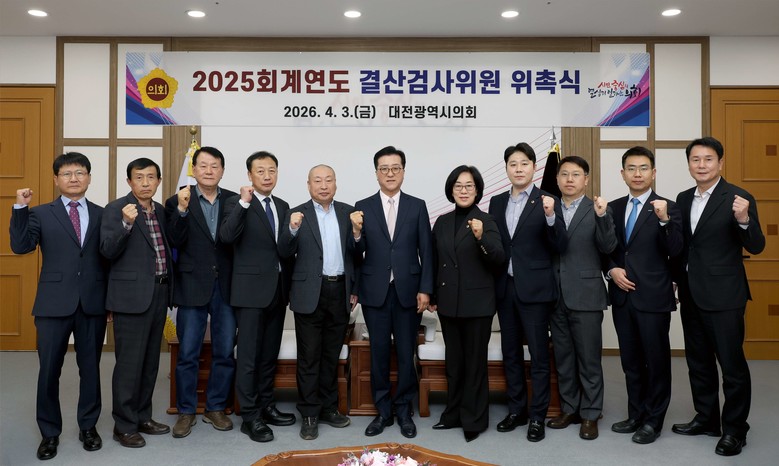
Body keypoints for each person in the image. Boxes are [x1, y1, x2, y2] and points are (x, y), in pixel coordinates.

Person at [10, 152, 108, 461]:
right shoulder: (40, 213)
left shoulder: (103, 213)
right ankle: (49, 433)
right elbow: (21, 246)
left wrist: (110, 301)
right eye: (67, 173)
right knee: (49, 370)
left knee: (90, 369)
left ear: (89, 177)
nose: (74, 178)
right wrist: (20, 208)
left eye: (80, 172)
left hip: (92, 302)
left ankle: (88, 427)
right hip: (53, 304)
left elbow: (110, 257)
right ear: (56, 180)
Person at [672, 137, 765, 456]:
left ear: (720, 163)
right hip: (691, 293)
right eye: (695, 159)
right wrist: (676, 280)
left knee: (732, 366)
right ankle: (707, 419)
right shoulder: (683, 198)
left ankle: (735, 430)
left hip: (725, 296)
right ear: (689, 164)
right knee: (698, 363)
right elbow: (684, 247)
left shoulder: (739, 198)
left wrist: (744, 220)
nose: (701, 165)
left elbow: (757, 246)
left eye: (708, 159)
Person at [350, 145, 434, 439]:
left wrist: (426, 289)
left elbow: (427, 250)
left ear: (403, 172)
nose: (390, 173)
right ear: (376, 173)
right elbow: (356, 253)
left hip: (409, 291)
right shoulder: (362, 206)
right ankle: (383, 410)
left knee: (406, 353)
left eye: (395, 168)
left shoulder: (417, 205)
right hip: (374, 292)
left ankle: (404, 410)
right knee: (379, 353)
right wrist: (356, 233)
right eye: (384, 168)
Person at [489, 142, 567, 442]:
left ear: (534, 167)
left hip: (535, 290)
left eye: (524, 163)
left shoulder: (548, 199)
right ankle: (516, 410)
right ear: (507, 168)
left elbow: (560, 244)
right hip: (505, 288)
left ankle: (537, 416)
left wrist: (550, 217)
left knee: (538, 356)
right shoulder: (496, 202)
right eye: (513, 164)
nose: (518, 169)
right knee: (510, 353)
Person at [607, 146, 683, 445]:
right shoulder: (613, 207)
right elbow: (606, 247)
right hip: (622, 295)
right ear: (622, 173)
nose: (637, 174)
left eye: (643, 168)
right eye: (631, 168)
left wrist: (664, 221)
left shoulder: (669, 207)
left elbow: (676, 250)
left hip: (653, 296)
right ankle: (636, 414)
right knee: (631, 362)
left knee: (656, 361)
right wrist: (611, 269)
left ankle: (653, 420)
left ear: (653, 173)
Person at [220, 151, 295, 443]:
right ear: (250, 175)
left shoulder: (283, 205)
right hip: (250, 292)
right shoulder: (235, 203)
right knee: (249, 357)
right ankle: (250, 416)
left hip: (277, 290)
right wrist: (243, 203)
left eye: (271, 170)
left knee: (268, 356)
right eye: (260, 171)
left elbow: (284, 249)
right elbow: (227, 237)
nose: (267, 176)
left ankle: (266, 405)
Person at [278, 165, 356, 440]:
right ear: (309, 185)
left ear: (336, 184)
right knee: (309, 356)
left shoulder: (348, 212)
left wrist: (354, 288)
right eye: (318, 181)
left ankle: (328, 408)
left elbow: (357, 255)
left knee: (331, 355)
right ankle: (309, 413)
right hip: (309, 292)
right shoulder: (296, 213)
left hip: (340, 290)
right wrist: (292, 229)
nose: (324, 185)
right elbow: (284, 251)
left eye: (328, 180)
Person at [165, 147, 237, 438]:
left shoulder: (235, 200)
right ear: (193, 170)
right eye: (203, 165)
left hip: (227, 286)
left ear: (222, 171)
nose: (209, 171)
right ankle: (186, 410)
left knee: (224, 351)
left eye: (214, 166)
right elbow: (174, 240)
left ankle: (215, 407)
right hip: (192, 285)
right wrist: (182, 211)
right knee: (188, 353)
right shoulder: (177, 201)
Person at [101, 158, 173, 448]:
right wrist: (126, 224)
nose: (145, 183)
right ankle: (124, 425)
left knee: (150, 362)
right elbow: (107, 251)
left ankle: (143, 416)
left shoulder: (161, 211)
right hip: (130, 297)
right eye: (139, 177)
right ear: (129, 181)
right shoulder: (116, 209)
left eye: (151, 177)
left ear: (158, 181)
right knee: (129, 364)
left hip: (159, 293)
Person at [429, 165, 504, 442]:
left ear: (477, 190)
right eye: (458, 186)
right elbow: (435, 261)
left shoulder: (487, 220)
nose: (463, 190)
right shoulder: (442, 221)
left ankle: (473, 420)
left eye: (469, 186)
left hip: (478, 304)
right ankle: (452, 414)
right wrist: (432, 295)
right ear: (451, 190)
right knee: (454, 363)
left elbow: (498, 258)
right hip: (448, 303)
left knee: (474, 365)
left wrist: (481, 237)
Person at [547, 156, 617, 441]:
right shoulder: (548, 207)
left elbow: (608, 246)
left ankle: (590, 413)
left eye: (576, 174)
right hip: (555, 294)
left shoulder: (597, 208)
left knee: (588, 360)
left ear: (586, 179)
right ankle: (570, 408)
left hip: (586, 295)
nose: (569, 179)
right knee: (564, 358)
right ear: (557, 179)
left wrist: (602, 217)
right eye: (564, 174)